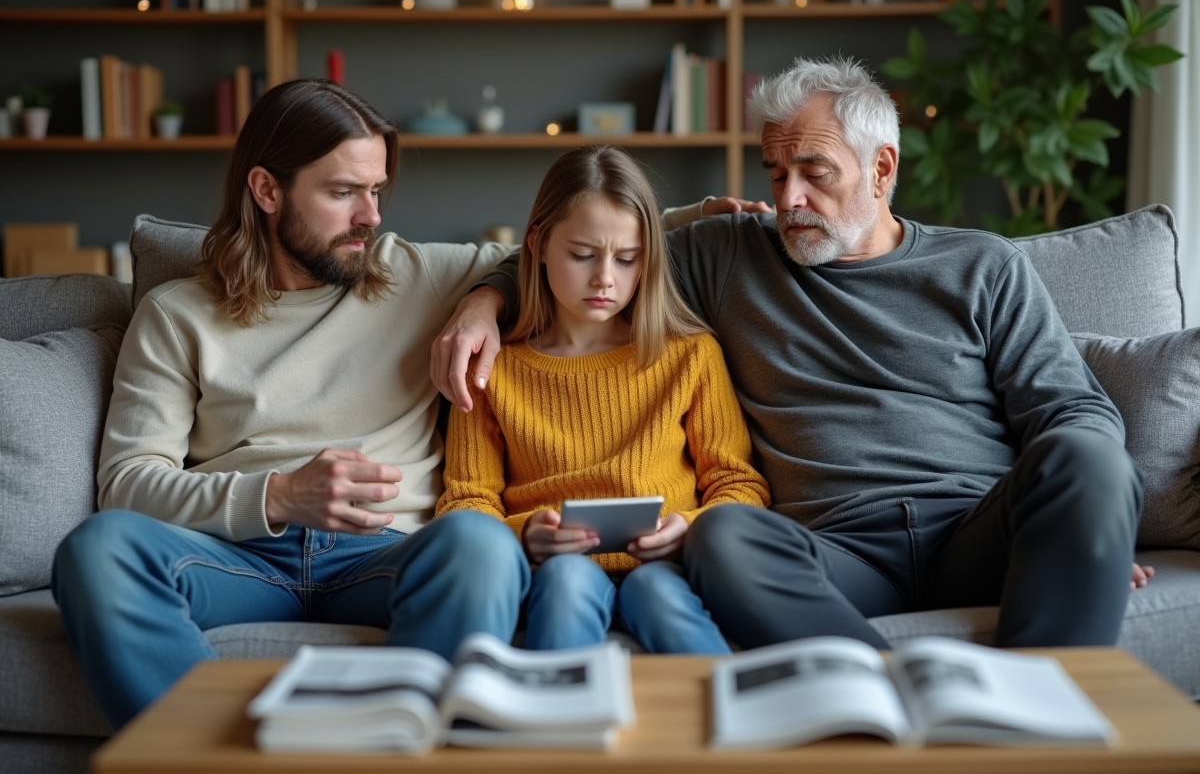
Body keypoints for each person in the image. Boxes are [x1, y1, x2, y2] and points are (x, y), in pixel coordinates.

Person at [432, 56, 1148, 652]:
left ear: (881, 167)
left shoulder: (982, 266)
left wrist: (1089, 533)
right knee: (726, 532)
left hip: (975, 527)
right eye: (775, 172)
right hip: (836, 549)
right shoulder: (728, 255)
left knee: (1088, 456)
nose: (788, 197)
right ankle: (877, 687)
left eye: (814, 170)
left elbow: (1072, 408)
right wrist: (484, 301)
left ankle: (1044, 702)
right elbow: (590, 258)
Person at [51, 79, 530, 731]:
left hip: (383, 555)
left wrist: (485, 301)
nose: (372, 217)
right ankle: (204, 759)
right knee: (97, 549)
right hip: (235, 556)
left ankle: (393, 742)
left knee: (479, 543)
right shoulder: (178, 315)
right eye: (342, 193)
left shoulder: (414, 273)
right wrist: (278, 495)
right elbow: (128, 484)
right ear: (268, 190)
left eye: (376, 191)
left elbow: (566, 251)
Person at [434, 146, 770, 653]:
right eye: (583, 255)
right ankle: (559, 724)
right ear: (538, 245)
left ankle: (736, 722)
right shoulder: (493, 368)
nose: (605, 279)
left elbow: (738, 483)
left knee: (660, 596)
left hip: (664, 567)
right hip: (554, 570)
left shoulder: (690, 355)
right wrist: (525, 535)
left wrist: (689, 529)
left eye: (628, 259)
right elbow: (465, 500)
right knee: (567, 584)